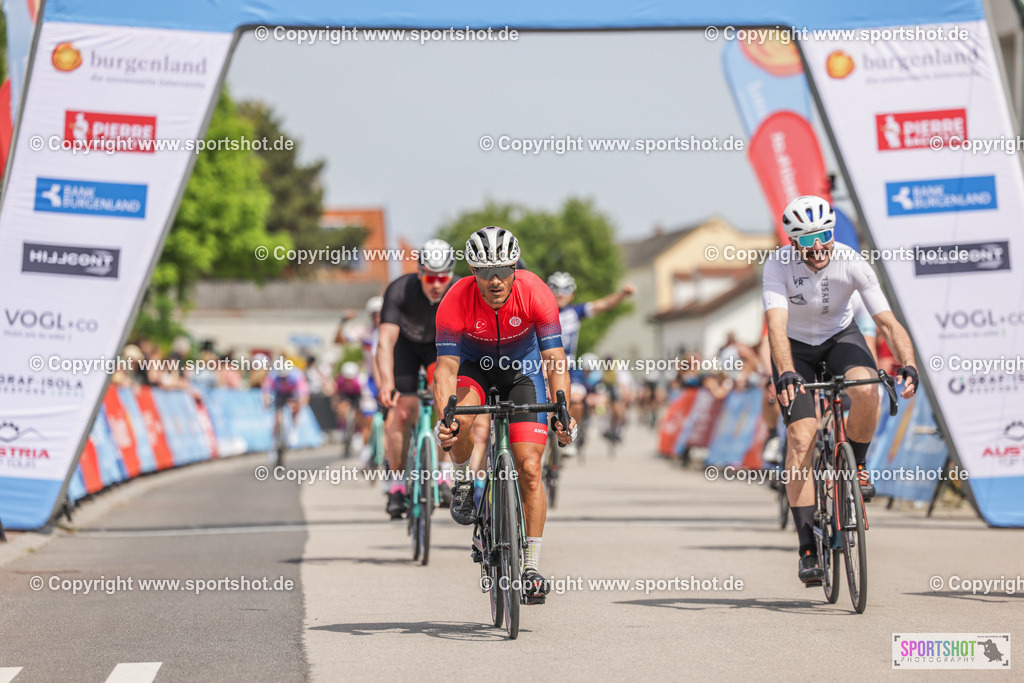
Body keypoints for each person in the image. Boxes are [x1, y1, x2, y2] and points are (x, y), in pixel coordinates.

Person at [762, 195, 918, 586]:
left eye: (825, 236)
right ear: (794, 242)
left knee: (867, 390)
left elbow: (887, 323)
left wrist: (908, 363)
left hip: (839, 339)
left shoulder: (851, 259)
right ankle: (807, 549)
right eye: (809, 239)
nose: (819, 247)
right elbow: (776, 329)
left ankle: (859, 466)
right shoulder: (778, 265)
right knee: (802, 438)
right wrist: (784, 372)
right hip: (794, 349)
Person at [433, 226, 577, 605]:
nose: (494, 280)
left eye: (501, 269)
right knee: (459, 419)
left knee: (529, 468)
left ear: (515, 266)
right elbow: (445, 370)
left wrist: (563, 409)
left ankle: (529, 566)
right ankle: (463, 480)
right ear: (471, 272)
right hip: (472, 368)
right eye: (483, 272)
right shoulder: (455, 300)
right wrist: (445, 419)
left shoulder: (537, 293)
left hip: (522, 371)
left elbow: (555, 360)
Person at [375, 239, 459, 519]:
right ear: (420, 272)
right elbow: (385, 342)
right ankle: (396, 486)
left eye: (443, 277)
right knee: (401, 414)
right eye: (430, 277)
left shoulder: (459, 291)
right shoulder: (399, 289)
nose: (437, 284)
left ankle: (444, 476)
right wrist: (386, 382)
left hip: (440, 349)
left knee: (447, 406)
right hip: (406, 349)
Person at [547, 272, 635, 453]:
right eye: (555, 289)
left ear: (572, 293)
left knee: (578, 400)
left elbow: (603, 304)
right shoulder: (540, 311)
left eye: (566, 289)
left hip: (568, 367)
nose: (560, 293)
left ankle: (569, 435)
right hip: (542, 366)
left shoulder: (576, 312)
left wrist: (622, 294)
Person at [260, 357, 310, 465]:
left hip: (292, 394)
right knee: (277, 420)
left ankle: (293, 430)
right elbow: (266, 390)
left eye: (285, 378)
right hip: (279, 395)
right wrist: (266, 402)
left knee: (295, 407)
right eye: (281, 378)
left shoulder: (296, 375)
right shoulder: (273, 375)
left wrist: (302, 402)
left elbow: (303, 392)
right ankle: (273, 446)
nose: (283, 380)